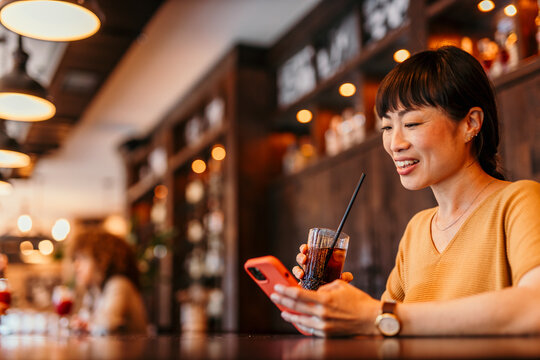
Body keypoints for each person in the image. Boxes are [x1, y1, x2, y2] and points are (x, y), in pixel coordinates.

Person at [270, 46, 540, 337]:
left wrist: (373, 314)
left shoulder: (519, 202)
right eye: (387, 127)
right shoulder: (417, 229)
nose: (394, 143)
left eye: (411, 123)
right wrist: (339, 312)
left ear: (470, 123)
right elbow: (386, 328)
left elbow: (535, 306)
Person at [69, 228, 148, 335]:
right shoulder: (95, 291)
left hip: (130, 352)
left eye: (83, 258)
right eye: (75, 259)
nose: (76, 265)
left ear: (102, 260)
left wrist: (85, 325)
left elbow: (107, 326)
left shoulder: (119, 284)